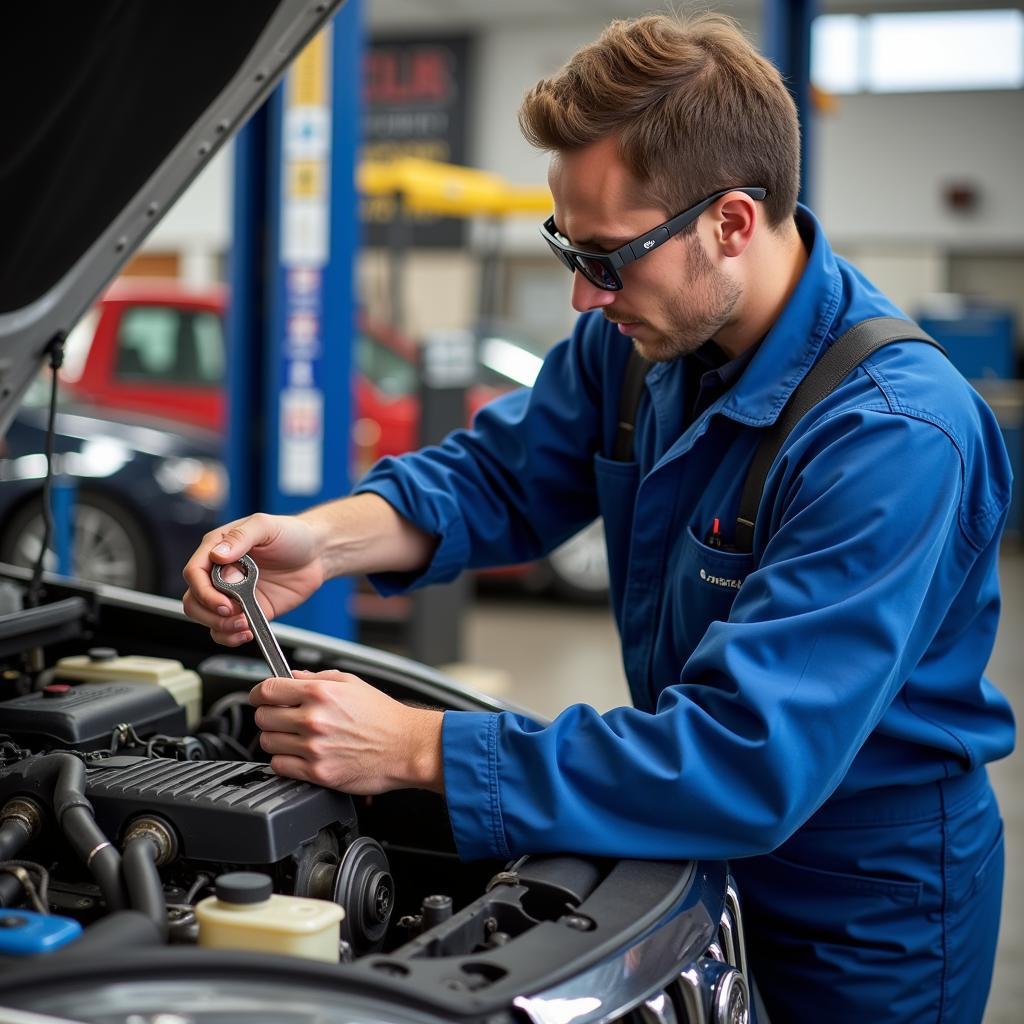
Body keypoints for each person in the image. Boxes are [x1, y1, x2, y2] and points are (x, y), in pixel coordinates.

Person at [183, 13, 1014, 1022]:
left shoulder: (893, 436)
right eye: (568, 249)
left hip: (861, 917)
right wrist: (324, 540)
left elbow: (745, 756)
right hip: (682, 850)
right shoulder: (643, 343)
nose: (583, 295)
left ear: (732, 222)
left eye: (610, 257)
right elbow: (500, 477)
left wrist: (416, 747)